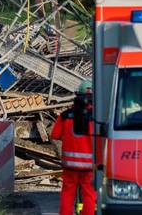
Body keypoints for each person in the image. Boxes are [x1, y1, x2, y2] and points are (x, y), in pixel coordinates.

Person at [51, 81, 96, 215]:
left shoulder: (65, 116)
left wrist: (61, 154)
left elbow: (54, 136)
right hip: (89, 166)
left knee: (67, 194)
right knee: (89, 194)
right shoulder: (98, 117)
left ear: (76, 95)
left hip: (69, 165)